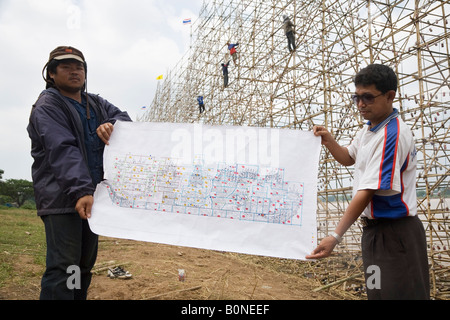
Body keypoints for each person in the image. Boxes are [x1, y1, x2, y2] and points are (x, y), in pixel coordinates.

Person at [306, 64, 429, 300]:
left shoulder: (391, 134)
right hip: (373, 234)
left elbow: (368, 190)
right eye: (357, 97)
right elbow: (349, 158)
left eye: (368, 98)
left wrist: (336, 236)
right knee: (377, 291)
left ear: (390, 96)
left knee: (398, 294)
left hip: (396, 236)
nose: (360, 104)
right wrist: (329, 140)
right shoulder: (369, 130)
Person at [27, 46, 132, 299]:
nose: (75, 71)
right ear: (51, 74)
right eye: (66, 67)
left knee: (83, 267)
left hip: (91, 198)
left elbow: (125, 120)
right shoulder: (48, 105)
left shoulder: (95, 103)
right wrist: (81, 190)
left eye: (79, 67)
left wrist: (112, 125)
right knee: (64, 268)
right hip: (64, 200)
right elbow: (62, 148)